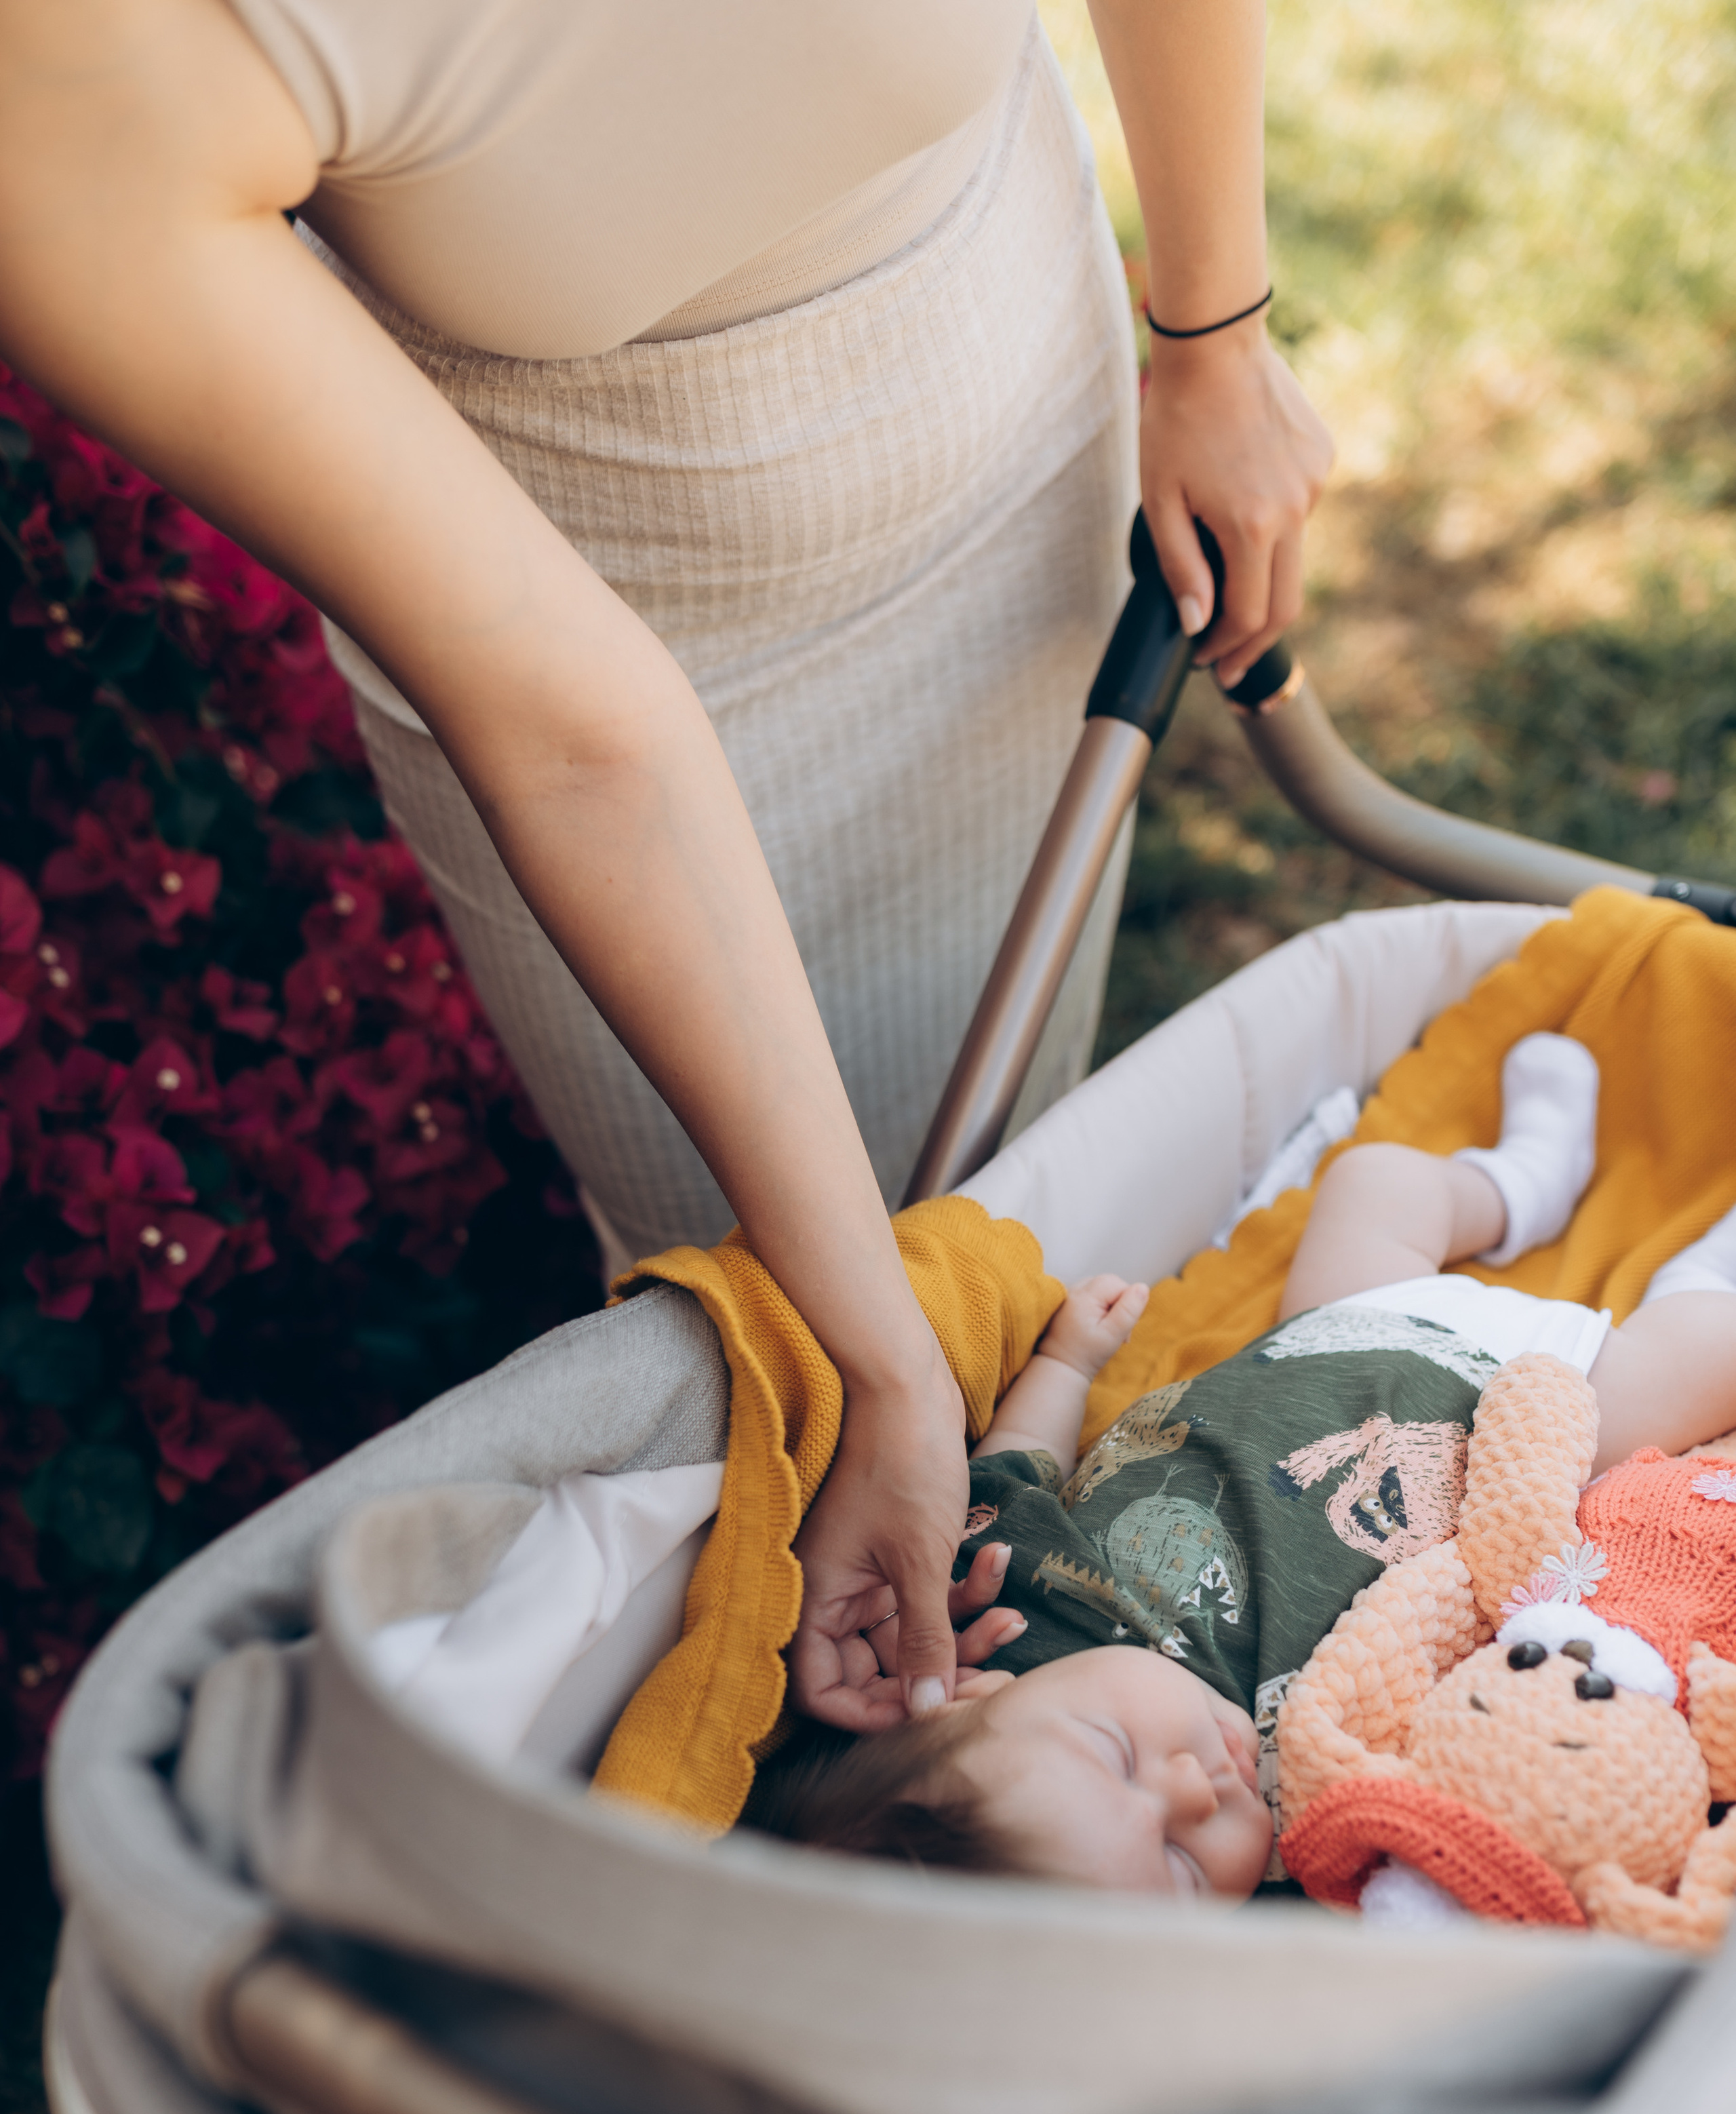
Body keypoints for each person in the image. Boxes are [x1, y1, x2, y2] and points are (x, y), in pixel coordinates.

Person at [0, 0, 1330, 1730]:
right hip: (588, 639)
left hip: (1000, 408)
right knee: (762, 1353)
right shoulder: (68, 75)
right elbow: (575, 735)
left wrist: (1211, 332)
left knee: (1017, 1158)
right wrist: (877, 1366)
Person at [749, 1036, 1736, 1895]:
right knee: (1706, 1346)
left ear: (976, 1701)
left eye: (1116, 1753)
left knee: (1376, 1184)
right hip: (1532, 1428)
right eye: (1183, 1864)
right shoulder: (1312, 1805)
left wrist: (1066, 1365)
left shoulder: (992, 1610)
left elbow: (1015, 1463)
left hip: (1342, 1329)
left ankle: (1523, 1181)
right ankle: (1705, 1273)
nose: (1195, 1786)